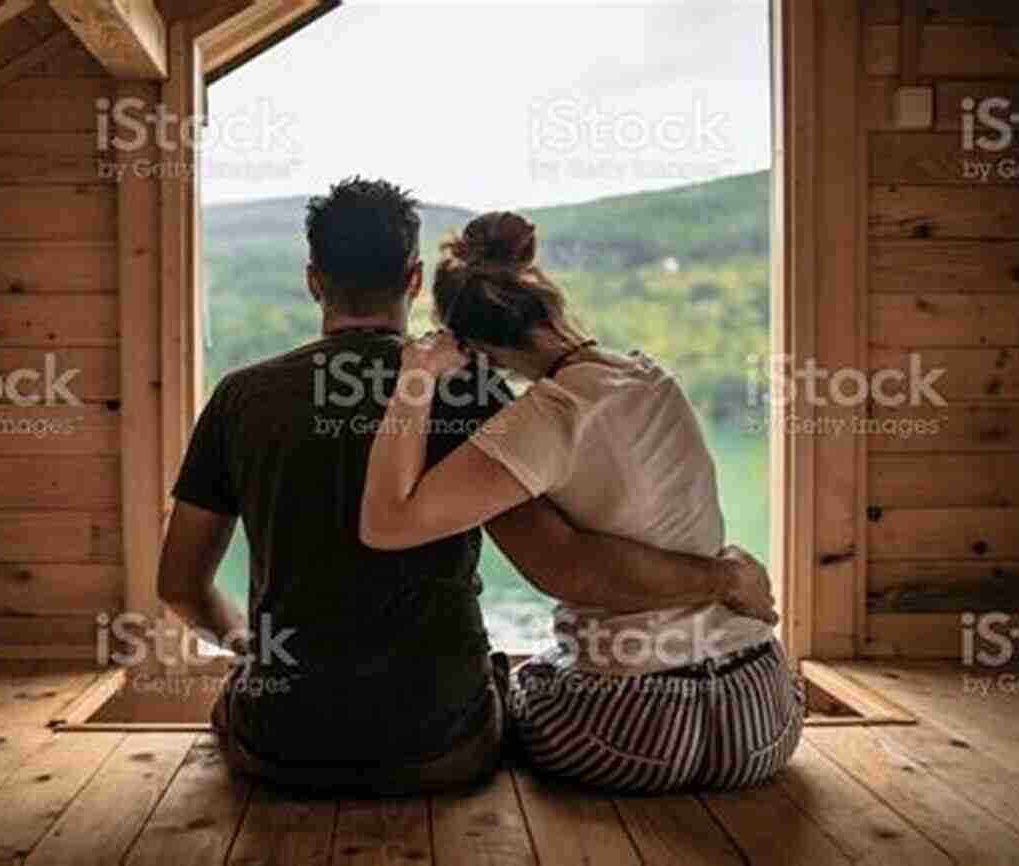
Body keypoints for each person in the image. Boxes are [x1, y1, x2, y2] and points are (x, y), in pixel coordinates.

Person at [157, 179, 777, 796]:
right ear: (414, 279)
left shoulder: (239, 398)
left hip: (282, 743)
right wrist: (720, 578)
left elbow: (180, 586)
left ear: (314, 279)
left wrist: (252, 651)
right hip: (445, 745)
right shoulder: (473, 391)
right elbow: (558, 559)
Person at [359, 210, 803, 793]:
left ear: (474, 348)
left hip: (630, 731)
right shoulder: (648, 376)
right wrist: (724, 577)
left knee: (512, 690)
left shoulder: (546, 415)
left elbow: (387, 523)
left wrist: (417, 377)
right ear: (544, 302)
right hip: (763, 715)